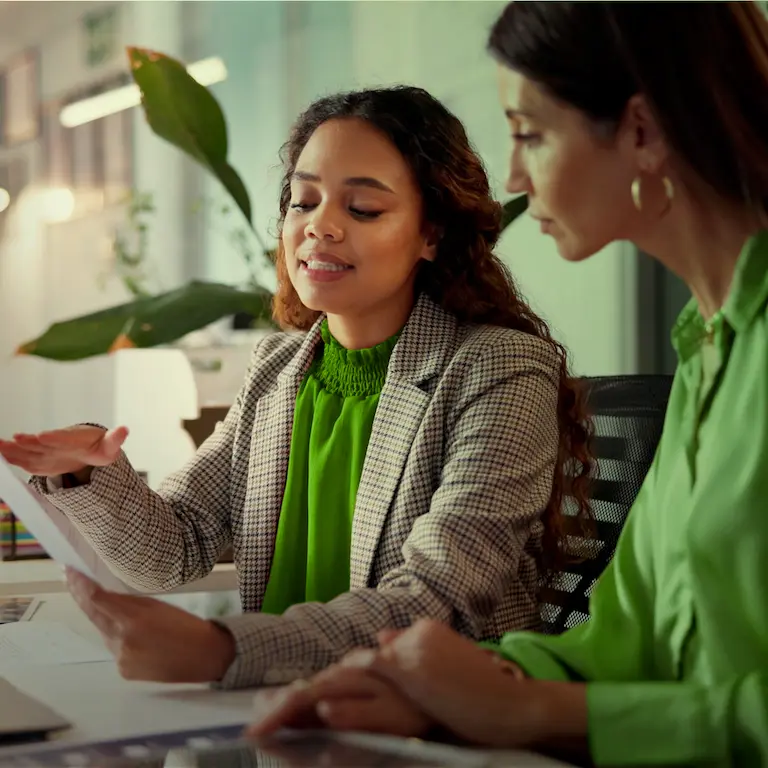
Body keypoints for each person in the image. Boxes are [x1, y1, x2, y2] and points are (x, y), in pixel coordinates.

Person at [248, 3, 768, 765]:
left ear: (643, 131)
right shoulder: (708, 350)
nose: (515, 176)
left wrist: (529, 708)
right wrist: (440, 685)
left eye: (529, 133)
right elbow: (624, 641)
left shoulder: (503, 363)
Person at [0, 86, 592, 690]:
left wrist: (222, 649)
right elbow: (172, 549)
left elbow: (436, 599)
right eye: (303, 201)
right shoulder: (278, 368)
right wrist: (89, 469)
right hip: (286, 721)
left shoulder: (500, 367)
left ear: (431, 234)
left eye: (362, 209)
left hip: (428, 726)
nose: (320, 227)